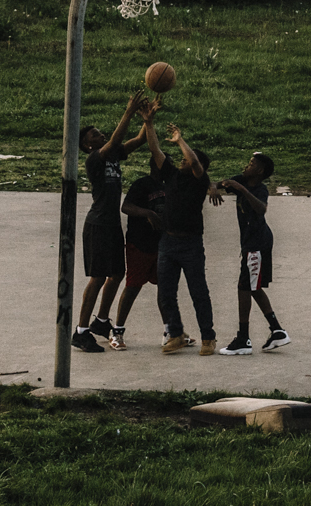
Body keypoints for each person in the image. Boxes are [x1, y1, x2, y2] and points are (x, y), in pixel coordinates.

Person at [72, 94, 149, 352]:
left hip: (112, 224)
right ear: (87, 145)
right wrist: (128, 111)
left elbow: (139, 140)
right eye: (94, 134)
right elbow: (116, 139)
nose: (100, 134)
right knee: (98, 277)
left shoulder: (114, 154)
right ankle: (81, 332)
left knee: (117, 274)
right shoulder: (94, 159)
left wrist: (148, 119)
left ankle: (101, 322)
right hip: (97, 225)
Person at [151, 123, 218, 355]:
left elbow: (197, 164)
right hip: (167, 243)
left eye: (186, 157)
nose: (182, 159)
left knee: (198, 291)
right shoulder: (171, 176)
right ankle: (176, 334)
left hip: (190, 244)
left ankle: (208, 337)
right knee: (165, 293)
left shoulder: (199, 180)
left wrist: (180, 140)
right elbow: (156, 150)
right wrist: (149, 123)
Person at [215, 152, 288, 354]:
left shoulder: (259, 189)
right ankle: (277, 331)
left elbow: (261, 208)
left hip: (258, 243)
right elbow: (221, 183)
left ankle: (244, 339)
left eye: (251, 164)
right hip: (250, 243)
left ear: (260, 171)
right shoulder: (241, 180)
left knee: (245, 287)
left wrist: (241, 190)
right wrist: (214, 187)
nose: (246, 166)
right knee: (251, 287)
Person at [110, 140, 167, 349]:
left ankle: (171, 330)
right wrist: (148, 213)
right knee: (133, 286)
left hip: (160, 245)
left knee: (165, 287)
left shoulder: (169, 186)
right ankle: (117, 330)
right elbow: (125, 207)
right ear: (154, 165)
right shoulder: (142, 185)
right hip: (139, 244)